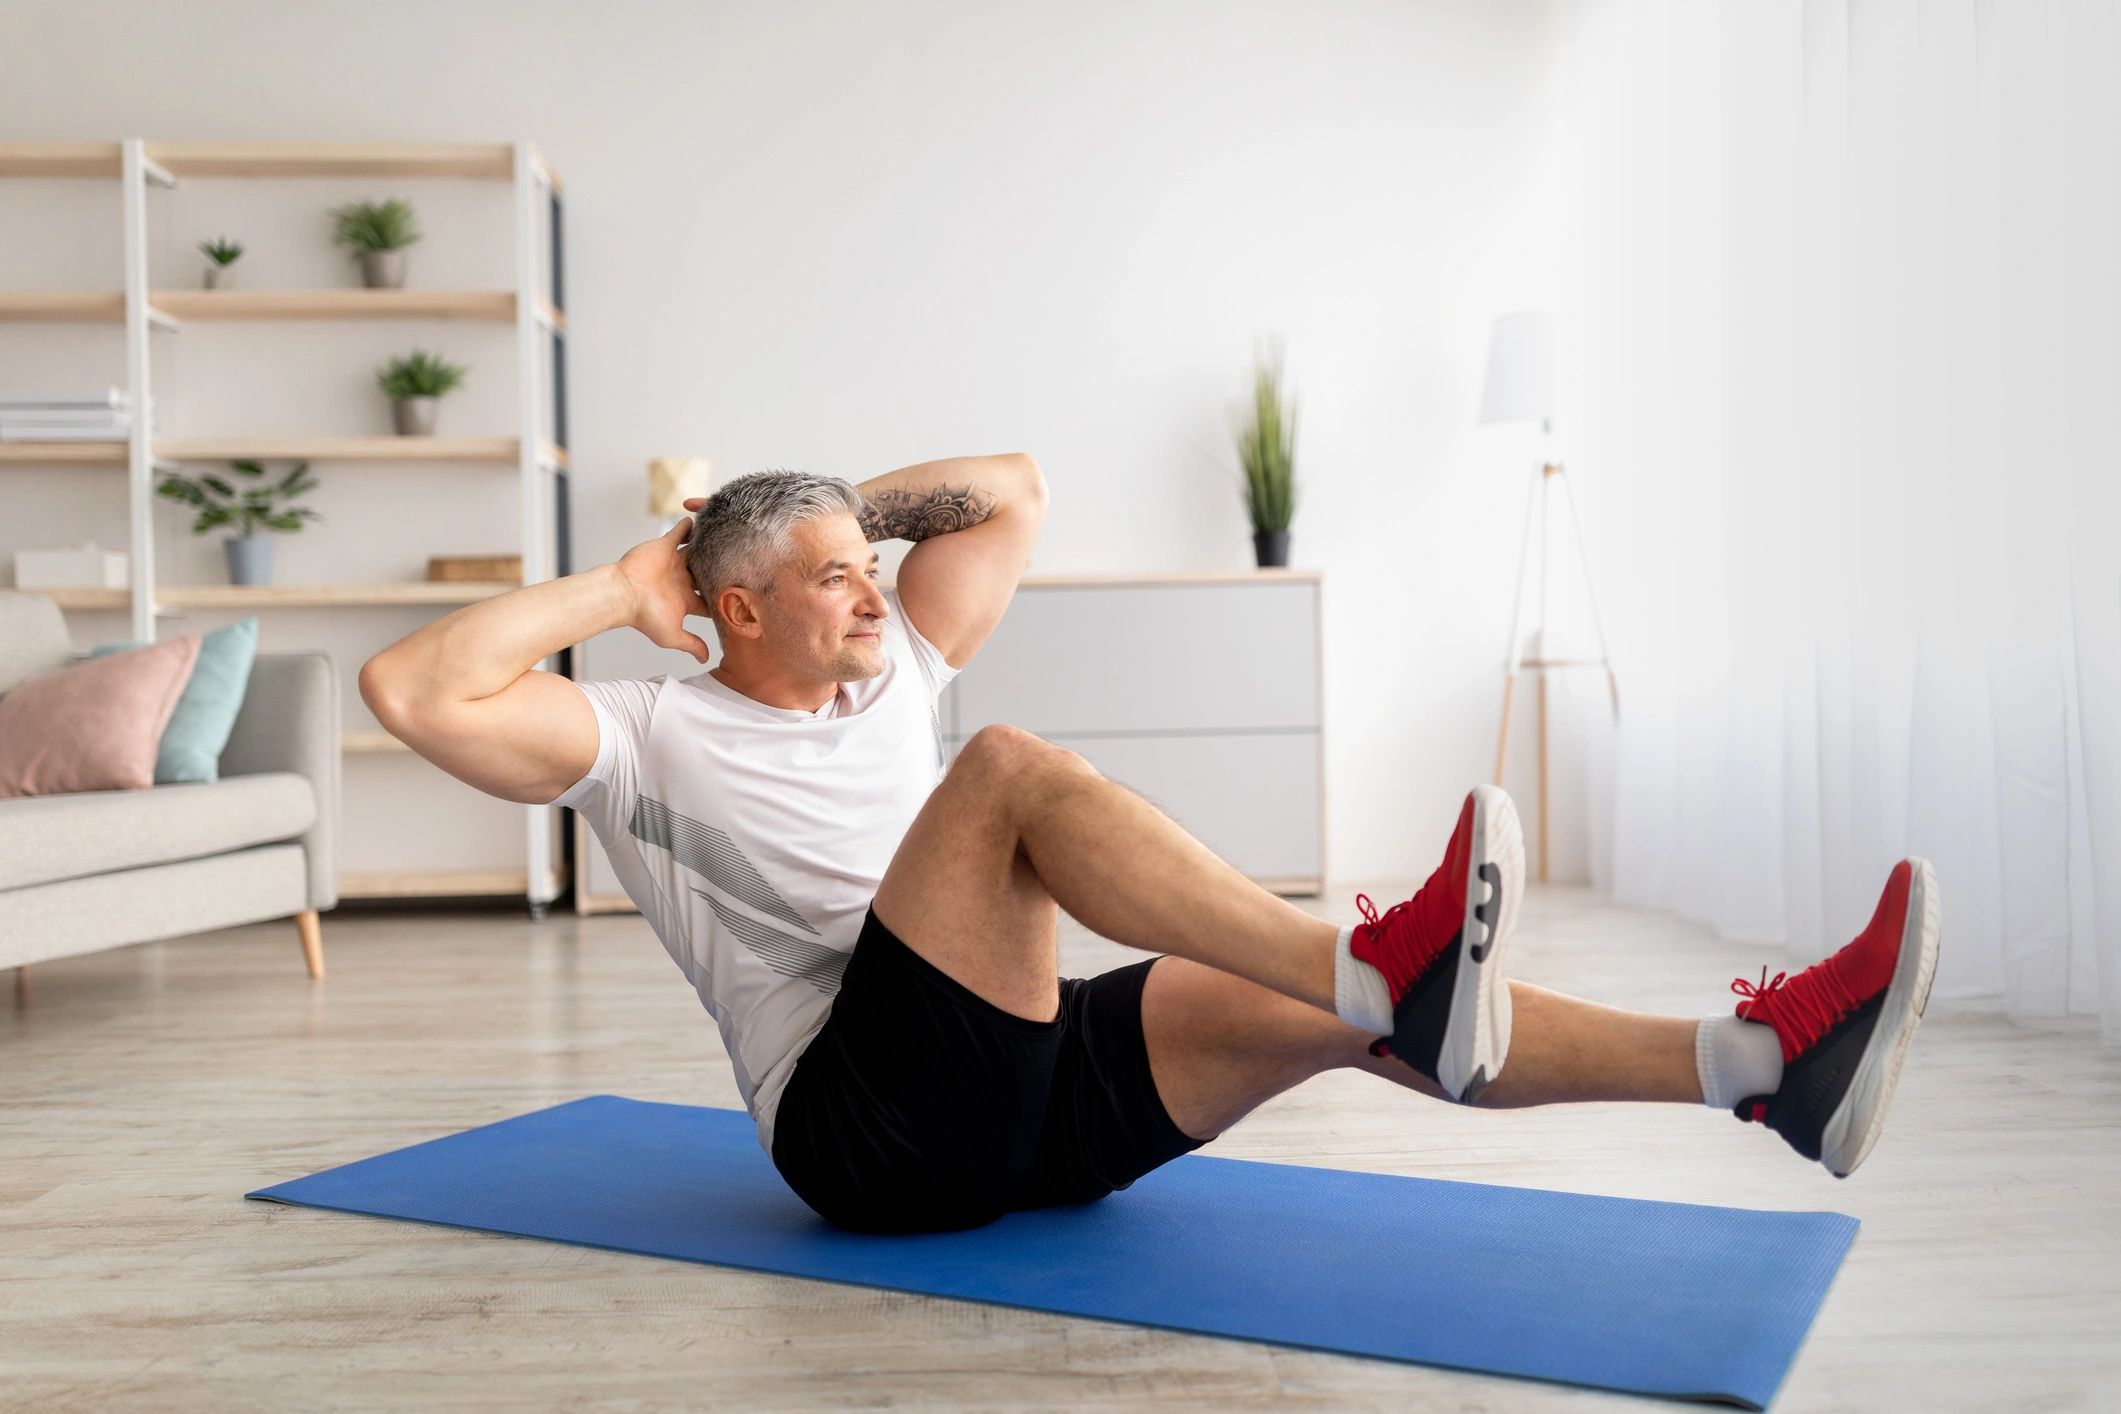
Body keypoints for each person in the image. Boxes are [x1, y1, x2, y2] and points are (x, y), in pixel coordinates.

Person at [359, 455, 1943, 1236]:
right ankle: (1369, 951)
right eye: (831, 575)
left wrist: (826, 504)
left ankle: (1761, 1065)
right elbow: (406, 687)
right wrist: (645, 581)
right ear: (739, 609)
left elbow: (1010, 492)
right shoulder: (640, 736)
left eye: (869, 566)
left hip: (1008, 1090)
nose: (873, 588)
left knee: (1348, 1017)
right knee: (1006, 777)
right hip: (866, 1130)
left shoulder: (898, 652)